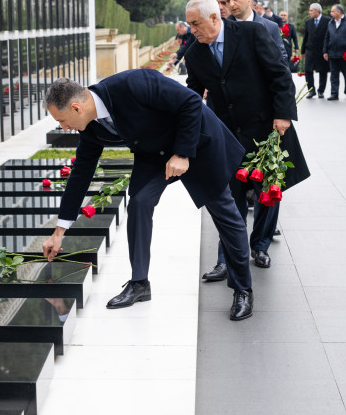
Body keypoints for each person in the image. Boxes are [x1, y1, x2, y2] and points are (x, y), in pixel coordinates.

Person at [42, 72, 256, 321]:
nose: (64, 128)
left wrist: (182, 153)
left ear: (76, 107)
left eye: (62, 120)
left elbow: (190, 102)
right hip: (155, 155)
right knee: (140, 203)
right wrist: (59, 231)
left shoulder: (133, 83)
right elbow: (80, 173)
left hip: (196, 143)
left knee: (224, 212)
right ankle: (139, 283)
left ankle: (243, 289)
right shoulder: (90, 127)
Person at [184, 0, 309, 278]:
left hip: (266, 128)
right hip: (227, 135)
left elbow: (279, 74)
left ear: (215, 18)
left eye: (196, 24)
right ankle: (225, 259)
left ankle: (260, 245)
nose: (192, 30)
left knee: (268, 192)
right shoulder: (194, 53)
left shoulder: (252, 33)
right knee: (230, 198)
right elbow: (192, 96)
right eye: (190, 25)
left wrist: (283, 115)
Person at [220, 0, 288, 63]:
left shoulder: (271, 27)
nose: (231, 4)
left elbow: (282, 61)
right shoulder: (221, 28)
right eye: (227, 1)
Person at [322, 4, 346, 100]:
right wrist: (325, 51)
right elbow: (327, 37)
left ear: (339, 12)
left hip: (345, 53)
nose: (330, 13)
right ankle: (334, 94)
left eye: (332, 11)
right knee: (333, 75)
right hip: (333, 53)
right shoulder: (331, 23)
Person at [301, 3, 331, 98]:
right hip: (310, 50)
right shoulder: (308, 22)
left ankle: (321, 91)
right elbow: (306, 37)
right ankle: (311, 90)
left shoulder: (327, 21)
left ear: (317, 11)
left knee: (323, 71)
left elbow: (330, 36)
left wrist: (327, 50)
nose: (309, 12)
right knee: (308, 70)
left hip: (322, 51)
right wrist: (303, 51)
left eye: (311, 10)